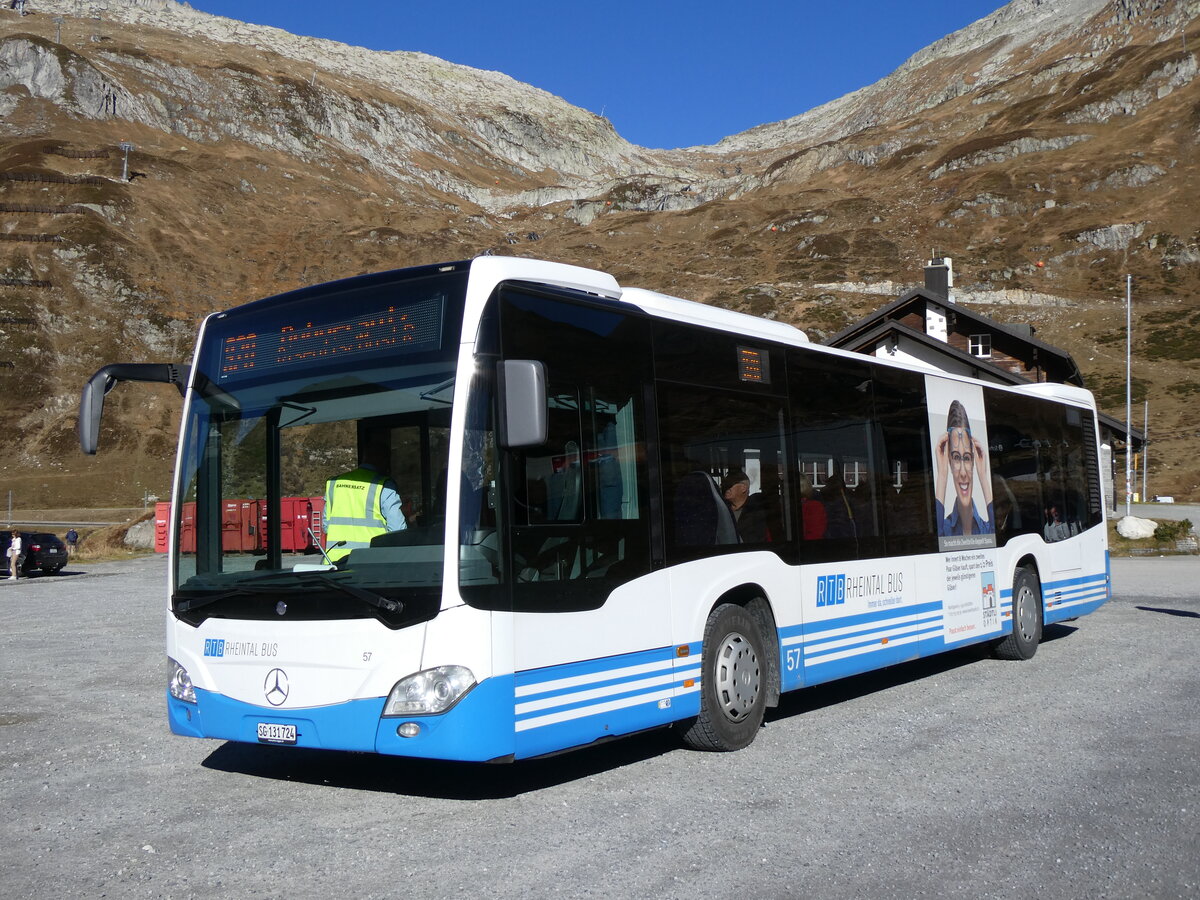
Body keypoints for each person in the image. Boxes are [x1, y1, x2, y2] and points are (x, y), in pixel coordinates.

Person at [323, 432, 406, 563]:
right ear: (384, 460)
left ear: (365, 457)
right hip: (370, 562)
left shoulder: (334, 483)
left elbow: (326, 526)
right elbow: (398, 530)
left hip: (334, 562)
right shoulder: (384, 485)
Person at [934, 400, 994, 537]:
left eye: (966, 458)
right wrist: (942, 475)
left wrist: (983, 478)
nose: (962, 473)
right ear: (949, 460)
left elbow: (999, 536)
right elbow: (936, 540)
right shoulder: (945, 529)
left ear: (973, 461)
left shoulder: (986, 529)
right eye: (955, 457)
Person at [722, 469, 768, 542]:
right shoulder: (721, 510)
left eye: (730, 484)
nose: (726, 487)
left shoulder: (756, 513)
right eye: (724, 484)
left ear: (743, 488)